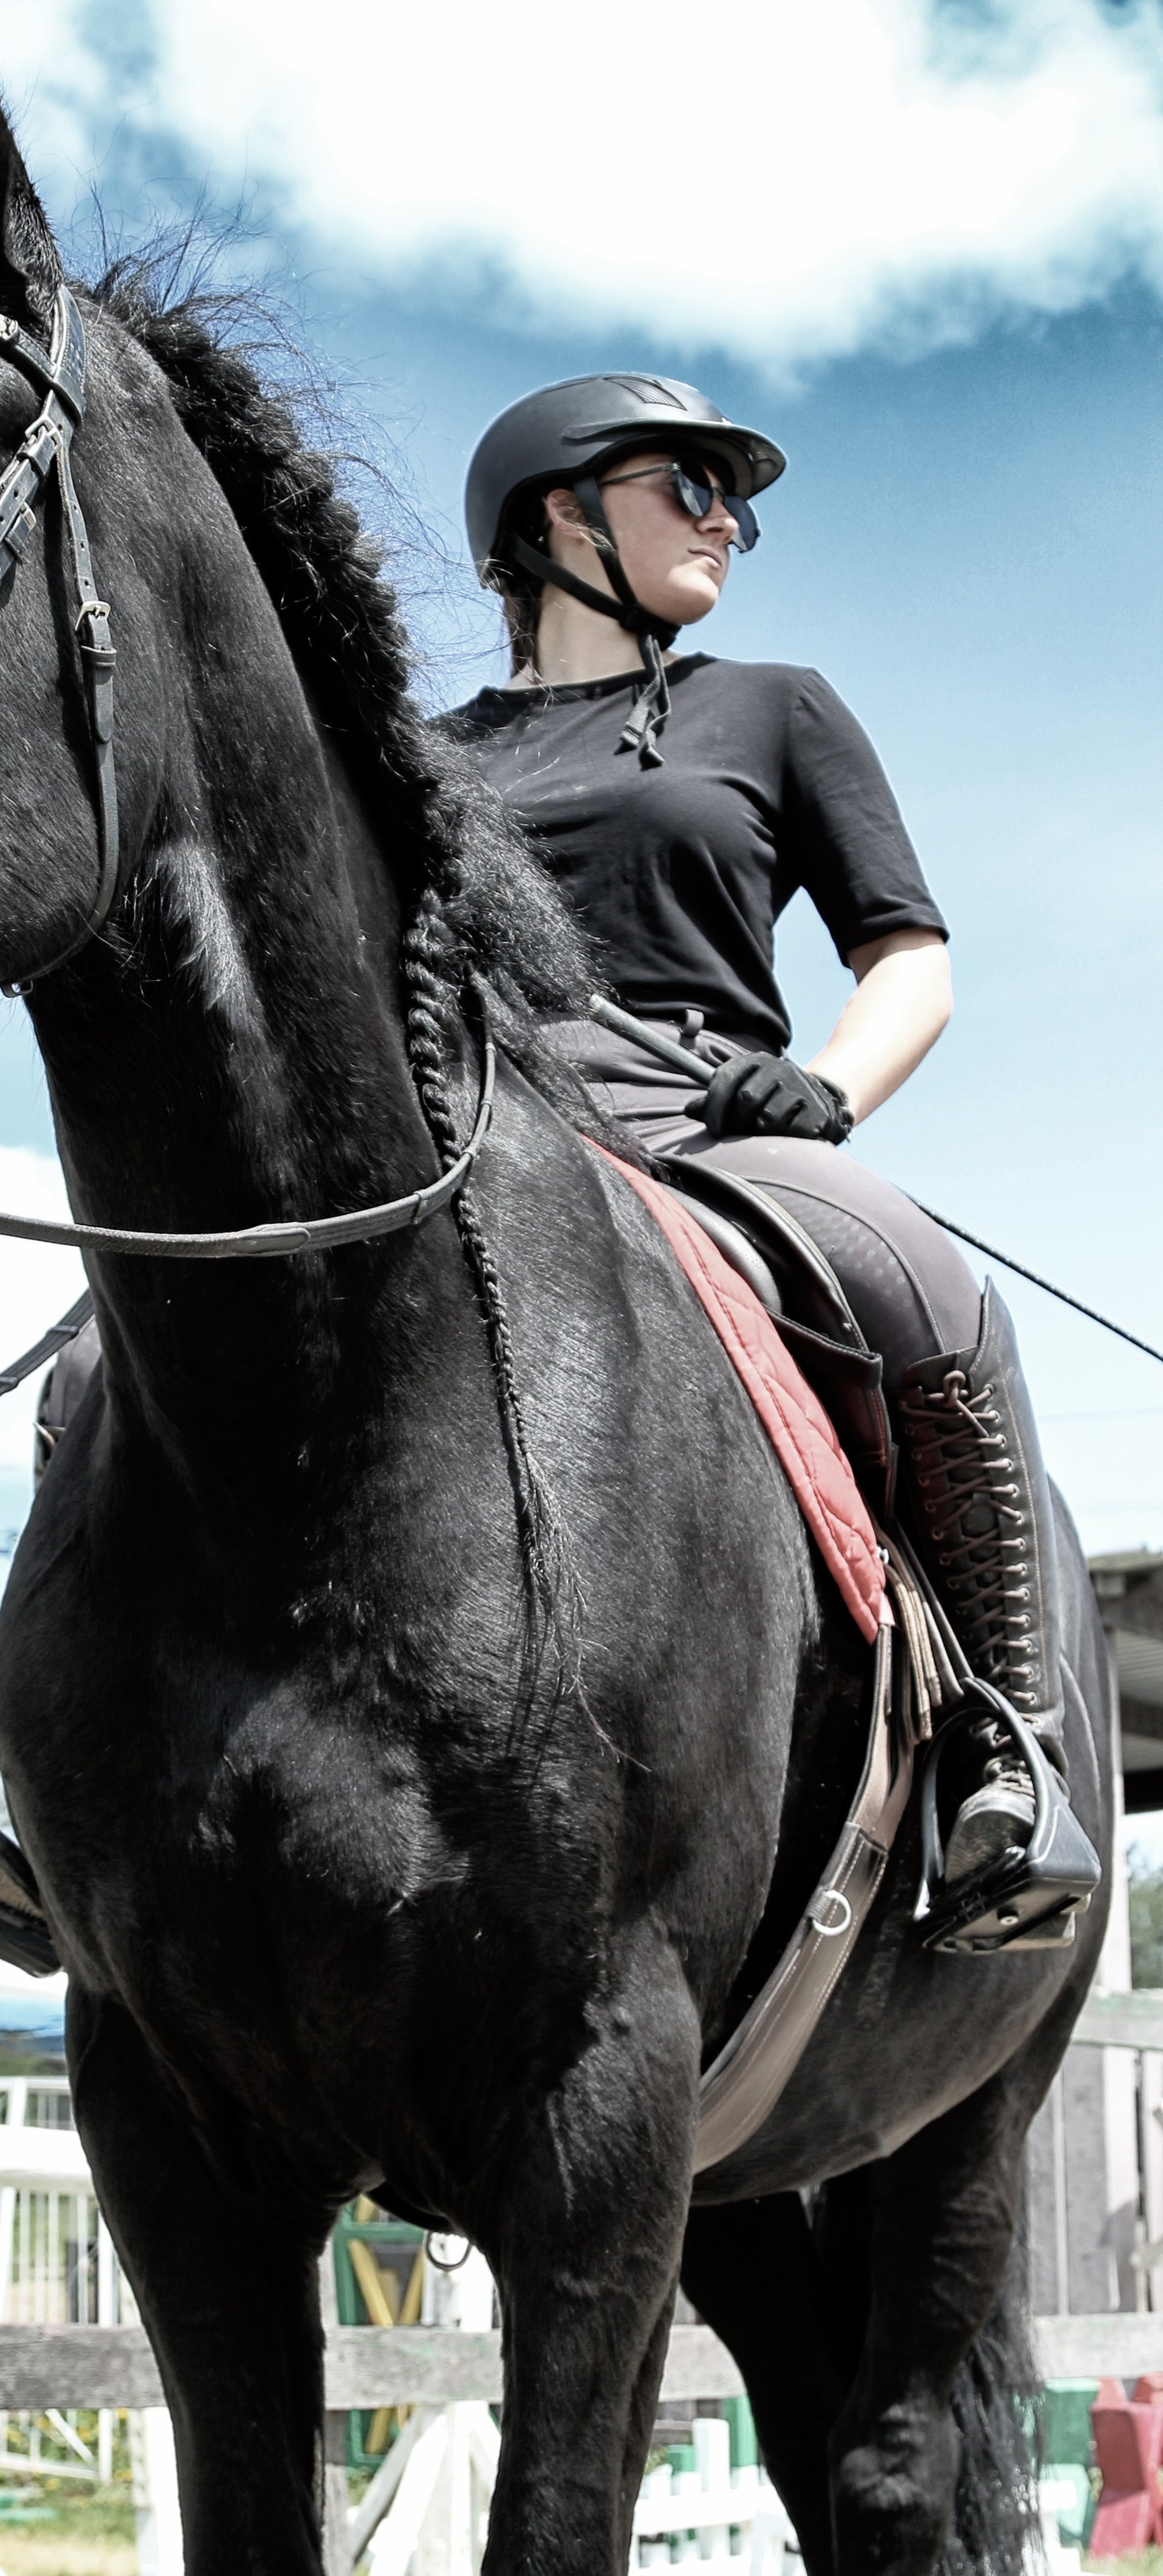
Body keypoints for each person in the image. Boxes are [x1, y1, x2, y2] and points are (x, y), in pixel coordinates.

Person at [445, 372, 1092, 1925]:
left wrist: (825, 1089)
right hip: (460, 1121)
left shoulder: (771, 707)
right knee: (102, 1347)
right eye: (692, 486)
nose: (728, 523)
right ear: (560, 510)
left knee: (920, 1284)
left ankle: (1005, 1751)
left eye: (735, 498)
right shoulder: (414, 754)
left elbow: (909, 962)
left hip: (702, 1123)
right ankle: (41, 1800)